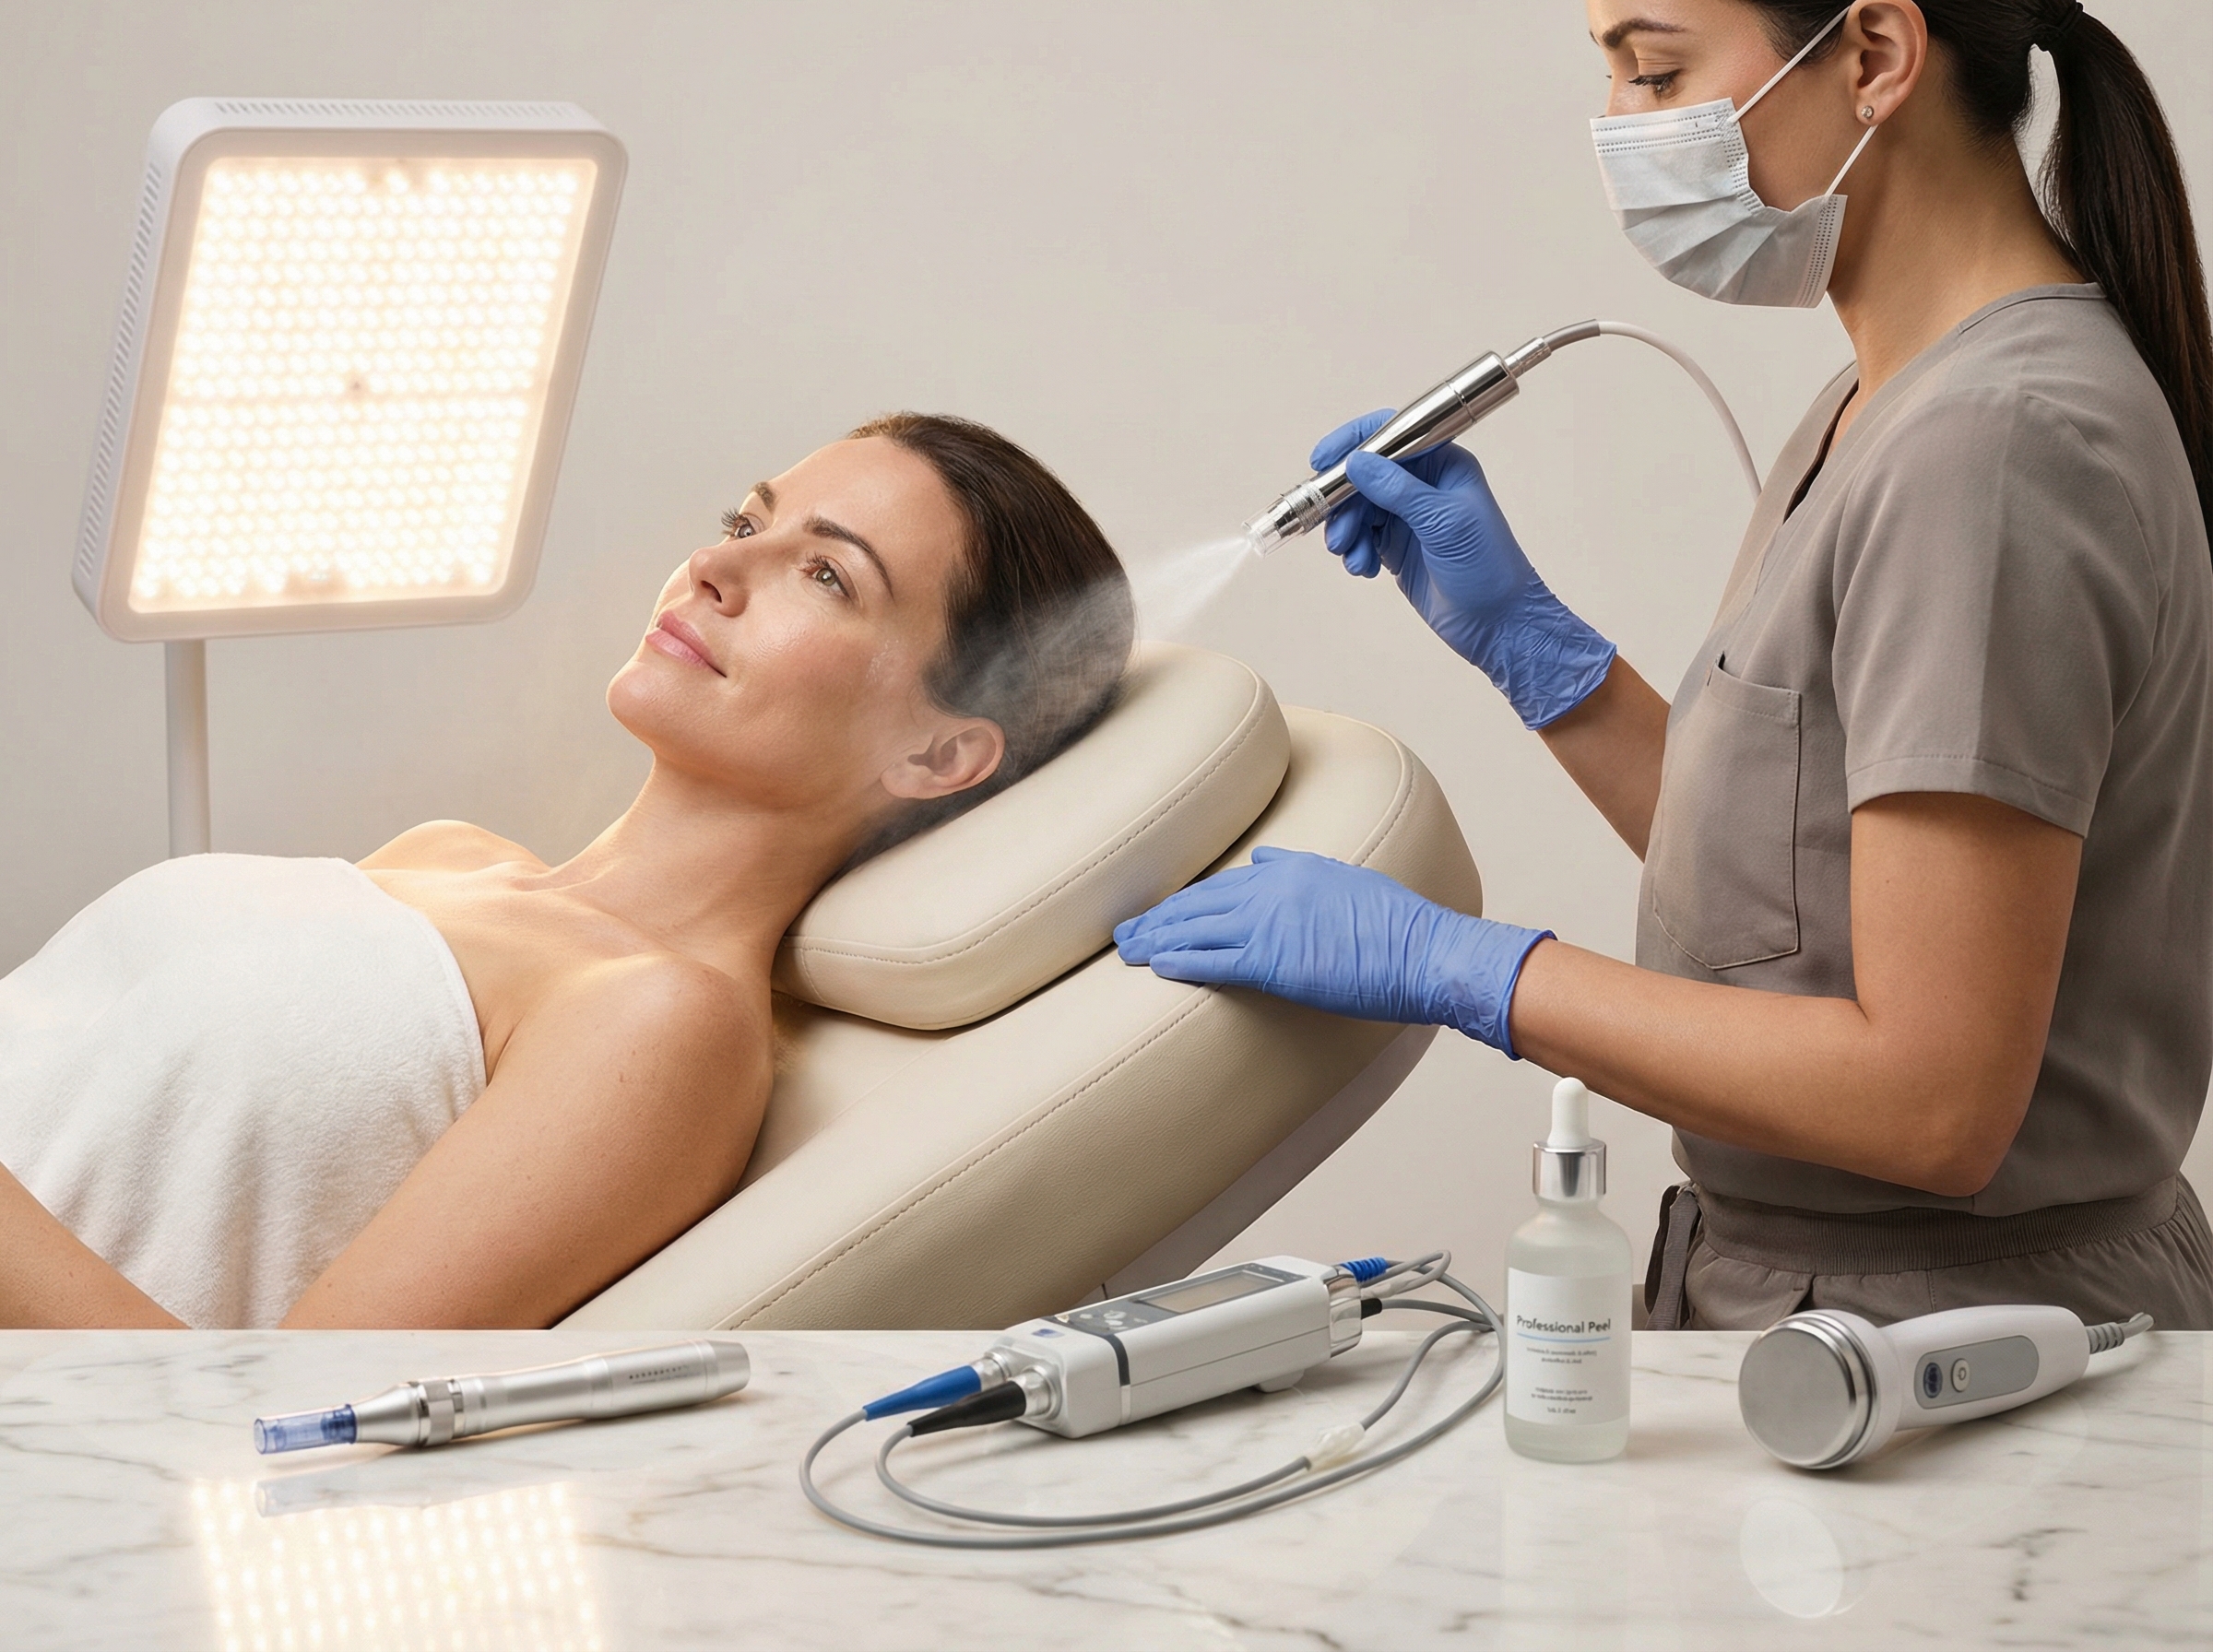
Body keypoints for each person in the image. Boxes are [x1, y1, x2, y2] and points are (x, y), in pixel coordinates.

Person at [1118, 0, 2213, 1328]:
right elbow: (1800, 908)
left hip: (1953, 1351)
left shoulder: (1993, 445)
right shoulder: (1889, 400)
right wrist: (1539, 655)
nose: (1623, 131)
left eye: (1655, 71)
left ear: (1873, 57)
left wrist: (1463, 969)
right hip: (1849, 1316)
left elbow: (1931, 1103)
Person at [0, 413, 1133, 1329]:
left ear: (937, 751)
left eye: (827, 576)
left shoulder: (664, 1020)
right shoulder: (445, 855)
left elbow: (264, 1438)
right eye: (745, 519)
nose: (717, 565)